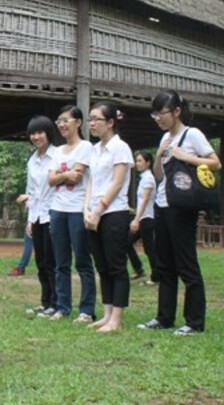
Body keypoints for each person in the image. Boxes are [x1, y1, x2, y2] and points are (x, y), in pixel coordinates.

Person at [138, 90, 220, 336]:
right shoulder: (165, 138)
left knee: (186, 263)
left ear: (176, 112)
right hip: (162, 205)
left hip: (182, 207)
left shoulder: (191, 134)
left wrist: (185, 156)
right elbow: (159, 175)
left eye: (161, 113)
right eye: (154, 114)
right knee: (164, 265)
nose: (158, 118)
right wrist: (161, 154)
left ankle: (194, 322)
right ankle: (164, 318)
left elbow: (216, 162)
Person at [83, 102, 134, 333]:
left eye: (97, 119)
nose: (92, 123)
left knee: (116, 266)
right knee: (101, 266)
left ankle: (117, 318)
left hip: (114, 212)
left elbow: (117, 181)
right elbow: (92, 182)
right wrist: (87, 209)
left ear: (111, 123)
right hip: (94, 213)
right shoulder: (94, 150)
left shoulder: (120, 147)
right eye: (90, 119)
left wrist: (99, 209)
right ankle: (106, 314)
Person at [47, 106, 96, 323]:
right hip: (57, 209)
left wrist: (61, 174)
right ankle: (62, 307)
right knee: (61, 262)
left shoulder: (86, 147)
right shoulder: (57, 151)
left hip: (77, 209)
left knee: (83, 261)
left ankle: (86, 309)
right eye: (59, 121)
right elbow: (50, 180)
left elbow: (77, 177)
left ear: (78, 123)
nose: (61, 125)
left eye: (65, 120)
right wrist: (64, 174)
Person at [18, 116, 60, 319]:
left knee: (53, 260)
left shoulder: (58, 156)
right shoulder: (32, 160)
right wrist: (29, 219)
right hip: (37, 216)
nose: (36, 137)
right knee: (41, 260)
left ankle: (56, 302)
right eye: (32, 133)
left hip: (53, 214)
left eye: (39, 132)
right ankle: (45, 302)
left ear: (48, 133)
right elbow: (31, 190)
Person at [128, 151, 159, 286]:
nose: (137, 163)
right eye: (137, 161)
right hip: (142, 217)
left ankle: (156, 276)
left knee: (149, 248)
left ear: (148, 162)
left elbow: (146, 199)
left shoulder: (148, 178)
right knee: (127, 242)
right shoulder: (144, 178)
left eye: (140, 160)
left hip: (146, 218)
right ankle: (139, 269)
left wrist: (137, 218)